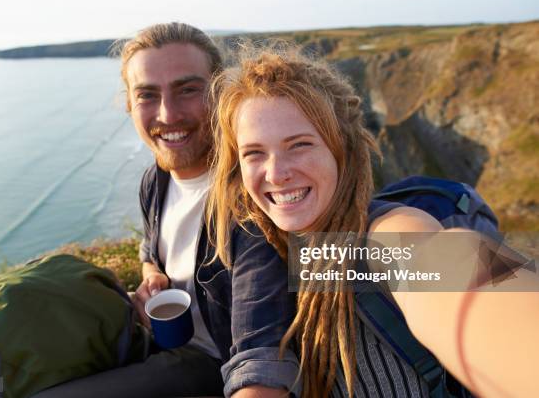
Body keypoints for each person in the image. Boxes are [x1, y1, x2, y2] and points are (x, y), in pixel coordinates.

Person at [207, 44, 539, 398]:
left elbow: (443, 263)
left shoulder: (386, 233)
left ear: (343, 151)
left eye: (300, 145)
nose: (276, 173)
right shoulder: (270, 253)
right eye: (254, 153)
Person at [35, 24, 299, 398]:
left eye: (188, 89)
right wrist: (150, 274)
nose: (168, 114)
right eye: (147, 95)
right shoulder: (155, 181)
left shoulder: (249, 201)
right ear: (129, 103)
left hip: (214, 365)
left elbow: (261, 355)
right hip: (166, 343)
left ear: (222, 92)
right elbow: (149, 247)